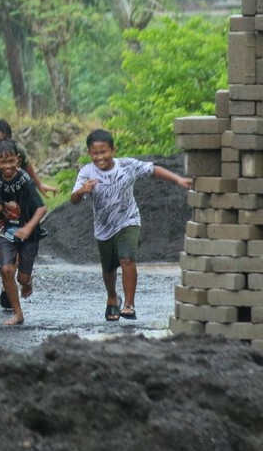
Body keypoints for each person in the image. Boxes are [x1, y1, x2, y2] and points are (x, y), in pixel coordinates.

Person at [70, 128, 192, 322]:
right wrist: (82, 190)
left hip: (128, 220)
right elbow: (74, 199)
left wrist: (178, 179)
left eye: (104, 152)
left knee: (127, 259)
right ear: (89, 153)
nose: (100, 157)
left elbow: (153, 170)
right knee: (108, 269)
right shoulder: (87, 172)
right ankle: (112, 296)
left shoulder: (127, 165)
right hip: (103, 227)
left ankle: (129, 304)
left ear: (113, 150)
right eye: (95, 153)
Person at [0, 118, 57, 308]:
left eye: (2, 140)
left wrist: (40, 184)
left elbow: (27, 168)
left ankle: (19, 280)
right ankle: (6, 284)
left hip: (18, 209)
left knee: (16, 248)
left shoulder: (18, 153)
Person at [0, 139, 48, 327]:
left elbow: (41, 209)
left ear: (18, 160)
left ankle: (27, 282)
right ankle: (18, 313)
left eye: (11, 161)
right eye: (2, 162)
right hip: (6, 228)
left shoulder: (25, 181)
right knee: (6, 269)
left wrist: (28, 228)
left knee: (22, 278)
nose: (7, 166)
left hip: (29, 231)